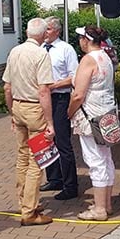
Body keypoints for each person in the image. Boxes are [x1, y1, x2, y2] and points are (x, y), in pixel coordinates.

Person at [3, 18, 56, 226]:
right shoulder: (41, 54)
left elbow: (6, 87)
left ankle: (23, 200)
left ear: (26, 32)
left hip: (17, 105)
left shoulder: (14, 51)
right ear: (44, 35)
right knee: (37, 160)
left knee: (22, 157)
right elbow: (44, 90)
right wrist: (50, 122)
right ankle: (30, 211)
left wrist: (12, 113)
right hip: (35, 108)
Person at [68, 26, 117, 221]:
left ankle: (99, 209)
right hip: (107, 114)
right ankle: (106, 203)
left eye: (80, 37)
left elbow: (78, 94)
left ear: (85, 40)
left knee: (95, 160)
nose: (79, 41)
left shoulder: (88, 60)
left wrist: (69, 113)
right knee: (106, 158)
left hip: (91, 116)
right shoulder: (106, 56)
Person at [39, 17, 79, 200]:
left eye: (47, 29)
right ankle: (54, 178)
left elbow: (74, 77)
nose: (44, 32)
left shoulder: (66, 49)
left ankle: (70, 185)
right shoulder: (39, 49)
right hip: (43, 99)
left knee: (62, 141)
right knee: (47, 140)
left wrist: (53, 86)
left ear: (56, 31)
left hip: (60, 98)